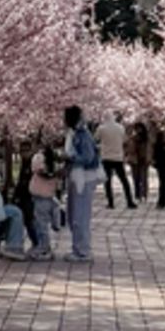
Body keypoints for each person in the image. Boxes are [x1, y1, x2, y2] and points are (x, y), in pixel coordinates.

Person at [62, 106, 101, 261]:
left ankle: (83, 251)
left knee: (80, 215)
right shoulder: (74, 134)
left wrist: (69, 158)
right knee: (74, 214)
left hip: (83, 178)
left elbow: (88, 157)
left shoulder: (82, 135)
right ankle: (77, 247)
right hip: (76, 177)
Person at [96, 112, 135, 208]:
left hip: (106, 157)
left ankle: (111, 202)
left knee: (108, 181)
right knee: (124, 180)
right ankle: (130, 201)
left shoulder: (101, 128)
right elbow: (125, 140)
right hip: (118, 157)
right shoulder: (120, 128)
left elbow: (96, 138)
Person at [28, 145, 60, 259]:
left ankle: (44, 248)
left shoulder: (38, 158)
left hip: (40, 197)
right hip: (50, 196)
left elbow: (35, 169)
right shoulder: (56, 163)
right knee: (44, 223)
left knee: (41, 224)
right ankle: (45, 247)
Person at [127, 119, 152, 204]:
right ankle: (137, 195)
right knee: (136, 179)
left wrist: (149, 158)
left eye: (139, 128)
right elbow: (129, 149)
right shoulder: (133, 138)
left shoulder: (147, 139)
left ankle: (144, 194)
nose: (138, 130)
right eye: (136, 129)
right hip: (135, 161)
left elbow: (150, 149)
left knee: (144, 179)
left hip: (144, 160)